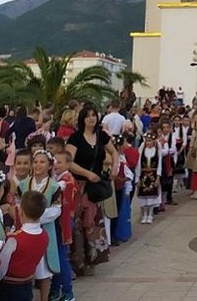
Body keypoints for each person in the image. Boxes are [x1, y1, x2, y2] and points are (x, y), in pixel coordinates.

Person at [65, 103, 117, 276]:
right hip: (79, 186)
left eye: (93, 115)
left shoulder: (102, 136)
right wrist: (87, 174)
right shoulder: (76, 138)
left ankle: (93, 260)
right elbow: (69, 162)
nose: (91, 118)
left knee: (93, 223)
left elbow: (114, 152)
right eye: (87, 115)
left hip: (94, 187)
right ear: (82, 119)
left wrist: (115, 167)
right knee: (77, 224)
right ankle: (77, 262)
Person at [18, 150, 61, 301]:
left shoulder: (54, 187)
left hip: (45, 230)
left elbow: (57, 209)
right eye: (35, 162)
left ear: (50, 166)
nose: (38, 165)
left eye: (42, 162)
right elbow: (18, 204)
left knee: (44, 270)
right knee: (26, 267)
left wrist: (36, 216)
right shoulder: (23, 185)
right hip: (25, 232)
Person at [0, 190, 49, 301]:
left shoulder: (15, 239)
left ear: (20, 212)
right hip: (27, 283)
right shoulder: (44, 236)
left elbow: (1, 268)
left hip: (9, 287)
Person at [51, 151, 78, 301]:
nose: (56, 164)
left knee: (61, 257)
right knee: (56, 256)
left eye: (59, 162)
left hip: (63, 222)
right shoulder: (58, 178)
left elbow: (65, 206)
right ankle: (55, 289)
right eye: (54, 161)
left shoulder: (67, 181)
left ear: (68, 164)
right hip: (60, 221)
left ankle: (67, 291)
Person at [136, 132, 162, 224]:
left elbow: (159, 165)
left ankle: (150, 214)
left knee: (152, 196)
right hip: (143, 175)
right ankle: (144, 214)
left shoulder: (157, 151)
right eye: (147, 141)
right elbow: (138, 165)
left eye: (150, 141)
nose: (148, 143)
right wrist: (137, 178)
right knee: (143, 196)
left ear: (153, 142)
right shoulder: (142, 151)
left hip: (153, 175)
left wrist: (158, 177)